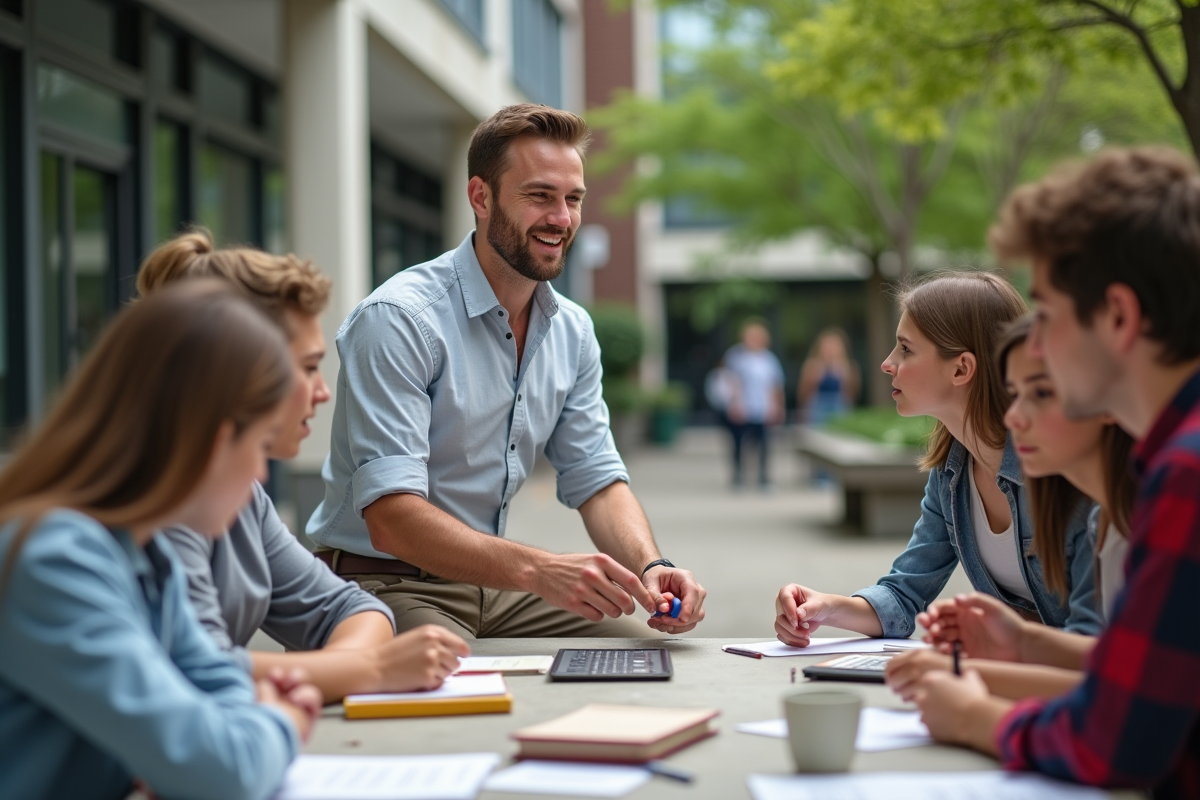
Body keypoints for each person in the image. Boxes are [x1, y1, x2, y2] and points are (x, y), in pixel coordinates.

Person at [307, 104, 707, 639]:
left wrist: (652, 567)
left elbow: (596, 477)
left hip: (495, 583)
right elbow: (392, 520)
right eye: (540, 196)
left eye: (573, 199)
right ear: (481, 197)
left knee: (641, 650)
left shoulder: (573, 330)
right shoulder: (400, 320)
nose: (562, 218)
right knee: (449, 681)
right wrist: (542, 571)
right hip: (383, 581)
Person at [899, 146, 1200, 798]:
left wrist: (979, 719)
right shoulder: (1169, 461)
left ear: (1118, 317)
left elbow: (1120, 741)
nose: (1034, 346)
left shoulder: (1184, 475)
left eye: (1051, 316)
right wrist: (1027, 646)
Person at [0, 282, 320, 800]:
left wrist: (235, 730)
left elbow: (216, 692)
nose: (261, 475)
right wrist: (281, 721)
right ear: (214, 444)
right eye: (262, 444)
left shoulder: (146, 553)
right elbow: (223, 771)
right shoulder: (54, 558)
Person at [135, 230, 469, 701]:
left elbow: (350, 607)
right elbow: (193, 670)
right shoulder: (152, 500)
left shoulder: (243, 499)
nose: (323, 390)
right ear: (243, 366)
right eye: (309, 366)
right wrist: (370, 669)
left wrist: (342, 668)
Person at [773, 272, 1102, 646]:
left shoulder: (1068, 475)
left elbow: (1096, 643)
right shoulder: (952, 473)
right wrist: (824, 607)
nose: (886, 363)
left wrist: (998, 649)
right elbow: (904, 595)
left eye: (906, 349)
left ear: (961, 368)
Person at [886, 315, 1135, 701]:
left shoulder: (1141, 509)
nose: (1014, 416)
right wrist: (1018, 641)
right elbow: (1112, 665)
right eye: (1014, 393)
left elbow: (1123, 698)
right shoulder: (1110, 514)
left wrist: (972, 705)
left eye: (1041, 394)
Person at [724, 319, 786, 489]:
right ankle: (738, 476)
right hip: (742, 407)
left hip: (763, 408)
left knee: (764, 444)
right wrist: (734, 404)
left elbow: (775, 385)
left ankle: (763, 477)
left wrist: (778, 407)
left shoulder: (769, 359)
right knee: (738, 443)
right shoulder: (736, 356)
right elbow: (731, 382)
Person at [797, 327, 860, 425]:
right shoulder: (812, 365)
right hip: (817, 408)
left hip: (839, 406)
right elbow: (803, 393)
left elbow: (853, 392)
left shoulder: (848, 365)